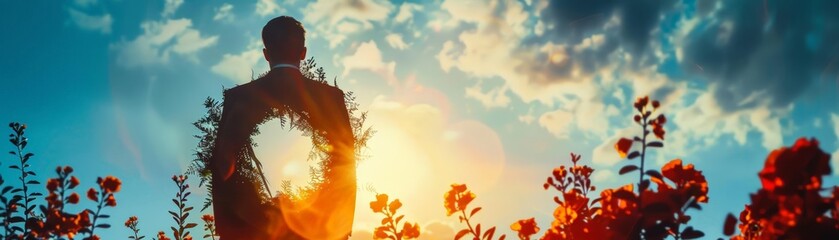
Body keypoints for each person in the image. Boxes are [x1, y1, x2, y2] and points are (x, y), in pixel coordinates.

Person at [210, 16, 356, 240]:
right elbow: (345, 165)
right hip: (317, 230)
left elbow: (223, 165)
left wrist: (229, 231)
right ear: (303, 52)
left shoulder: (238, 97)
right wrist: (341, 230)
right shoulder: (331, 98)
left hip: (250, 231)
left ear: (266, 54)